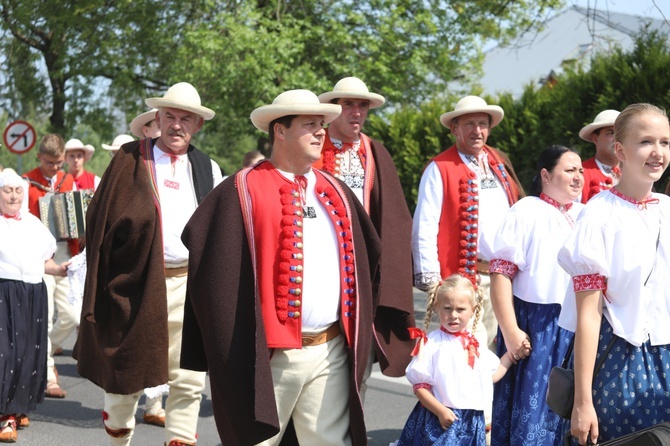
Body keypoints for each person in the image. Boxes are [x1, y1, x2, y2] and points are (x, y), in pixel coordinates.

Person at [180, 89, 385, 445]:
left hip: (331, 349)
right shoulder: (242, 188)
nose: (321, 132)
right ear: (280, 130)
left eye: (322, 124)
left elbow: (370, 256)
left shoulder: (336, 190)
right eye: (309, 124)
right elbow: (212, 271)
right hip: (271, 358)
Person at [73, 82, 222, 446]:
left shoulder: (209, 169)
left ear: (198, 125)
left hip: (188, 286)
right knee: (125, 379)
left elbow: (219, 232)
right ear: (157, 118)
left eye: (186, 118)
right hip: (136, 285)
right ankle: (118, 440)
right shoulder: (128, 160)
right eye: (170, 116)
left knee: (188, 380)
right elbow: (99, 222)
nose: (176, 125)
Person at [557, 103, 670, 445]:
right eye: (646, 142)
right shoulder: (599, 215)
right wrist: (582, 401)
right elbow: (589, 314)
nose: (658, 152)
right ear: (619, 150)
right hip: (619, 361)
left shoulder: (667, 210)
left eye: (665, 142)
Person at [317, 77, 415, 385]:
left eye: (362, 105)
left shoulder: (375, 152)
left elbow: (395, 220)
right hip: (320, 263)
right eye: (348, 105)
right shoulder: (313, 146)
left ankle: (351, 425)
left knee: (359, 350)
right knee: (318, 345)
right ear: (333, 108)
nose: (356, 112)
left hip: (362, 268)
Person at [486, 145, 585, 445]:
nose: (578, 176)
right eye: (570, 170)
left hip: (580, 326)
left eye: (580, 170)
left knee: (574, 414)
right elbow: (501, 274)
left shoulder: (586, 214)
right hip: (536, 327)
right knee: (534, 414)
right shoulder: (525, 210)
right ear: (545, 174)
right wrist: (511, 330)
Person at [412, 95, 524, 350]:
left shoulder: (499, 161)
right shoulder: (439, 168)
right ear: (454, 128)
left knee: (498, 356)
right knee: (464, 356)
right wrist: (434, 284)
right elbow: (424, 227)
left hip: (503, 279)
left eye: (482, 124)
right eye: (469, 124)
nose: (477, 131)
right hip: (463, 281)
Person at [394, 274, 517, 446]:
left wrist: (511, 354)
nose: (453, 315)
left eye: (460, 309)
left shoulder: (474, 344)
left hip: (470, 420)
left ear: (473, 310)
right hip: (439, 418)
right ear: (437, 307)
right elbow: (420, 387)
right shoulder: (432, 344)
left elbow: (490, 376)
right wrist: (440, 411)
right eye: (447, 308)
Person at [0, 170, 69, 442]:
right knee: (6, 354)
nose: (14, 195)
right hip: (3, 291)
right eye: (7, 190)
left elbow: (42, 262)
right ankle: (6, 416)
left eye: (18, 190)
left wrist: (62, 270)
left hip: (32, 293)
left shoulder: (34, 225)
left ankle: (18, 408)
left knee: (28, 354)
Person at [22, 133, 76, 399]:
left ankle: (40, 351)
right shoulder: (26, 182)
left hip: (65, 252)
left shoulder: (69, 181)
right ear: (39, 157)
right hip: (38, 258)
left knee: (71, 316)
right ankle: (49, 372)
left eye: (59, 163)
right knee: (46, 315)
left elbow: (76, 221)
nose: (56, 169)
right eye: (50, 163)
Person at [578, 109, 621, 202]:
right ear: (595, 139)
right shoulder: (580, 173)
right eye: (611, 133)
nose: (617, 139)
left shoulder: (635, 173)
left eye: (621, 133)